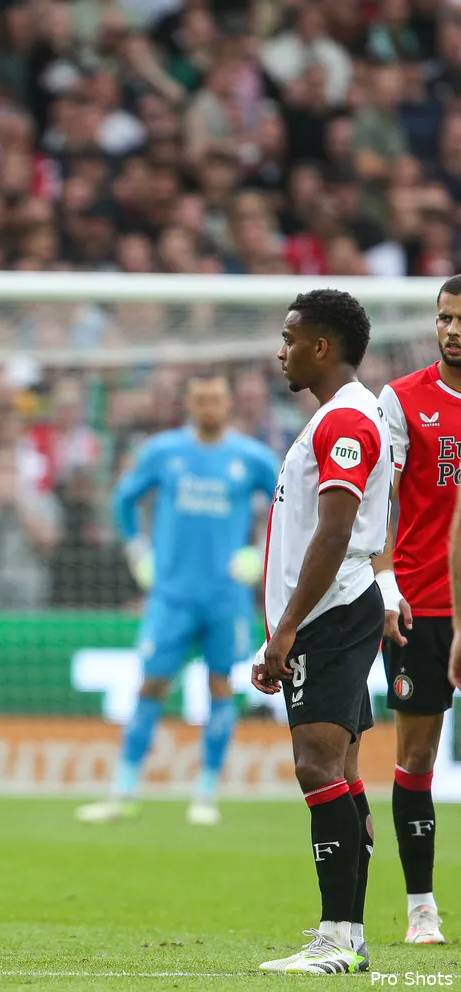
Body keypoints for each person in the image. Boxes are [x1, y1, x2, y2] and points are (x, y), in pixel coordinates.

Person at [253, 289, 389, 975]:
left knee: (316, 767)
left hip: (330, 613)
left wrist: (284, 631)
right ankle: (347, 935)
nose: (282, 350)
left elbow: (336, 533)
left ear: (322, 347)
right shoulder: (338, 418)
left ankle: (339, 937)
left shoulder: (345, 424)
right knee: (340, 771)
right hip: (328, 612)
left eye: (290, 336)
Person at [76, 375, 279, 826]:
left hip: (225, 596)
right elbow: (125, 501)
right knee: (151, 685)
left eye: (217, 398)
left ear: (229, 403)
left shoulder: (251, 457)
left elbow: (289, 504)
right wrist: (137, 550)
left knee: (221, 686)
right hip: (171, 594)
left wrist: (259, 554)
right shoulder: (163, 452)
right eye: (201, 398)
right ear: (189, 402)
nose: (209, 405)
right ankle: (123, 791)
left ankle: (206, 793)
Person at [373, 275, 461, 945]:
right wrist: (385, 582)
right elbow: (378, 500)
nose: (452, 329)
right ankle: (421, 906)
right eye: (445, 317)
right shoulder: (402, 400)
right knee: (417, 755)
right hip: (425, 605)